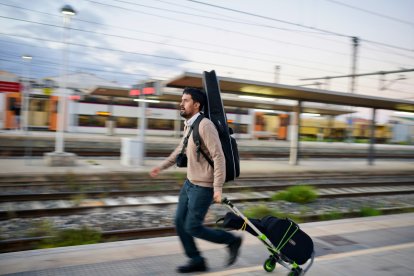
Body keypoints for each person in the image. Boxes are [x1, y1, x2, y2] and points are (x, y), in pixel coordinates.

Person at [150, 87, 242, 273]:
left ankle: (232, 240)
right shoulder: (190, 124)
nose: (181, 104)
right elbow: (180, 149)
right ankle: (196, 259)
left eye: (185, 100)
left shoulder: (205, 125)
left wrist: (217, 188)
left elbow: (218, 157)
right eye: (181, 100)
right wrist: (162, 166)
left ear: (196, 104)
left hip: (203, 187)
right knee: (179, 222)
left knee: (192, 226)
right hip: (189, 183)